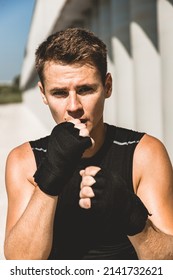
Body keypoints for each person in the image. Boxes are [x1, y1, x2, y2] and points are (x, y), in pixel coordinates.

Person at [4, 27, 173, 260]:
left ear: (108, 87)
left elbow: (168, 262)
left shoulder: (144, 153)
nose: (74, 106)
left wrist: (133, 217)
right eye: (60, 93)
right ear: (43, 94)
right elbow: (20, 266)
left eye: (85, 90)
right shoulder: (24, 160)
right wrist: (50, 179)